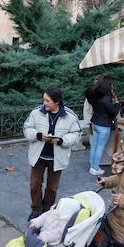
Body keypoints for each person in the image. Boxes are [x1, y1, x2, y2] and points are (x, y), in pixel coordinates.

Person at [23, 88, 82, 219]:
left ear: (57, 102)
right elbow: (27, 129)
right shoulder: (36, 113)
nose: (44, 103)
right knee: (34, 185)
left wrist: (62, 140)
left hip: (57, 158)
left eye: (47, 101)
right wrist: (37, 135)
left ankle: (47, 211)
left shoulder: (70, 116)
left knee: (52, 188)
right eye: (44, 100)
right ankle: (36, 210)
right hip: (38, 156)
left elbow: (76, 134)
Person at [85, 76, 120, 176]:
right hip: (104, 125)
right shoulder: (105, 99)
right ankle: (95, 168)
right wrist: (116, 103)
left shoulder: (94, 97)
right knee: (100, 147)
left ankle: (92, 165)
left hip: (95, 123)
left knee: (95, 146)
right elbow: (113, 112)